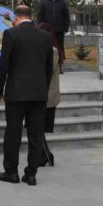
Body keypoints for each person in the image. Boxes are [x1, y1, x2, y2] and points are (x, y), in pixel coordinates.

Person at [0, 5, 54, 186]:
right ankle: (31, 174)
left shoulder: (11, 34)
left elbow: (3, 65)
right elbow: (48, 67)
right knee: (35, 135)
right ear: (30, 16)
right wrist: (42, 88)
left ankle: (11, 172)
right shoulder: (45, 36)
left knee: (13, 133)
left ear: (16, 17)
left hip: (16, 93)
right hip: (38, 94)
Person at [37, 22, 62, 167]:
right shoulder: (48, 49)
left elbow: (46, 71)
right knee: (36, 127)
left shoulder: (52, 51)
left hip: (47, 96)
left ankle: (46, 155)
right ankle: (44, 154)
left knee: (37, 127)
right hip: (44, 94)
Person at [37, 0, 70, 70]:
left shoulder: (62, 3)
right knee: (46, 48)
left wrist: (66, 28)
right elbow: (40, 16)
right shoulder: (44, 2)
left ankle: (60, 67)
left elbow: (66, 16)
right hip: (47, 31)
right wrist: (40, 27)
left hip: (59, 30)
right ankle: (46, 66)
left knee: (60, 48)